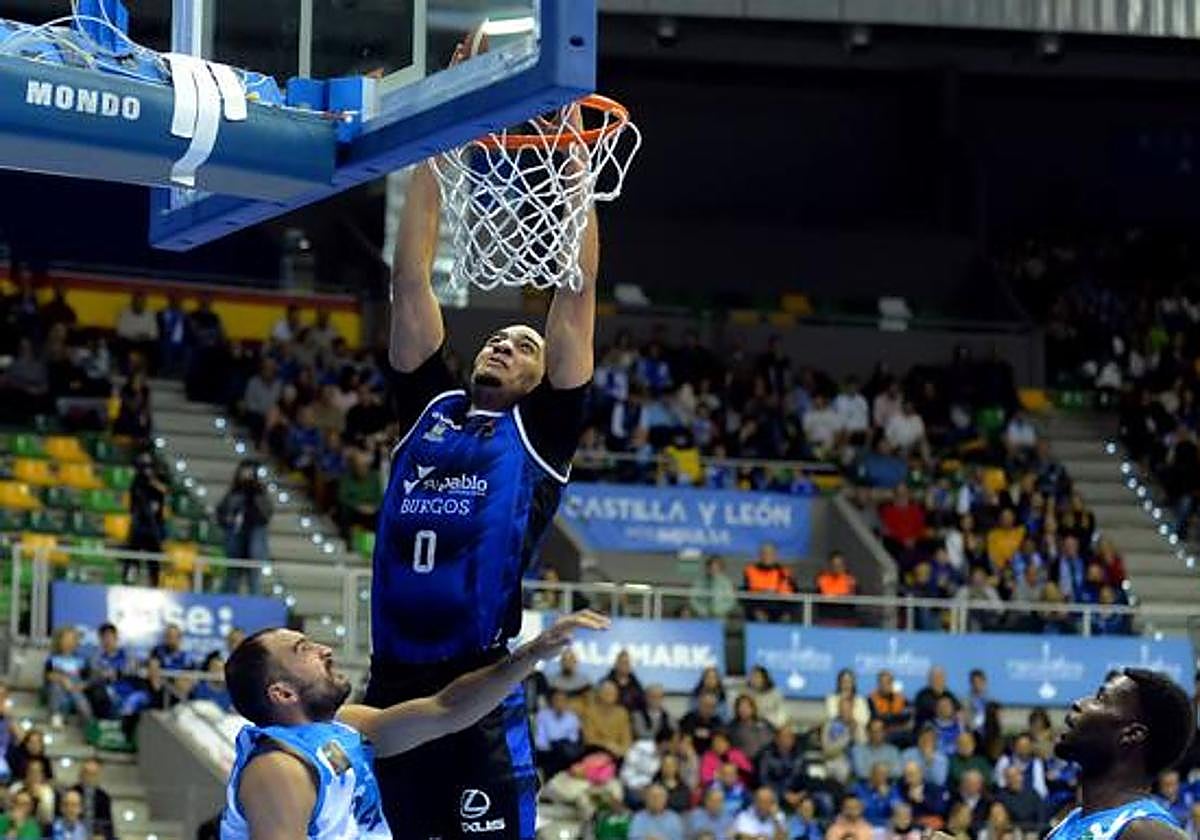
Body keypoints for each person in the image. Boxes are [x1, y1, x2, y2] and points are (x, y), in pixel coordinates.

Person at [366, 41, 599, 840]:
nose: (504, 343)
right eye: (498, 338)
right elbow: (410, 280)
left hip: (478, 685)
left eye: (524, 346)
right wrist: (440, 128)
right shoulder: (428, 406)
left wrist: (572, 153)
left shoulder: (541, 433)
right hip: (391, 683)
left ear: (543, 376)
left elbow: (576, 294)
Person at [222, 611, 607, 840]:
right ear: (283, 693)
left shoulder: (344, 726)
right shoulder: (279, 768)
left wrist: (531, 654)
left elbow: (446, 709)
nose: (323, 649)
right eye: (302, 650)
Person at [1046, 669, 1195, 840]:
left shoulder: (1147, 831)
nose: (1078, 703)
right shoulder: (1066, 825)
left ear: (1132, 734)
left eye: (1100, 699)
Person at [216, 460, 273, 595]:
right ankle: (228, 601)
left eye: (250, 472)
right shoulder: (233, 493)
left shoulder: (260, 493)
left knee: (254, 580)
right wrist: (228, 519)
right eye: (244, 471)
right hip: (235, 540)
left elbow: (266, 514)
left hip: (254, 540)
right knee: (232, 577)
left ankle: (255, 605)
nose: (247, 475)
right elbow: (221, 513)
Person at [125, 452, 168, 585]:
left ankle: (154, 582)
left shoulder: (159, 480)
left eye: (150, 467)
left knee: (154, 559)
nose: (147, 470)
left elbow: (165, 490)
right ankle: (129, 578)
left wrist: (153, 482)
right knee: (132, 555)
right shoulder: (137, 482)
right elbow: (133, 504)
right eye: (145, 466)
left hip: (154, 525)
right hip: (139, 524)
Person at [44, 626, 91, 727]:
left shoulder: (82, 660)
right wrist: (63, 679)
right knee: (56, 687)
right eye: (66, 638)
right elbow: (48, 675)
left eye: (72, 639)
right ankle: (56, 716)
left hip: (75, 688)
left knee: (81, 701)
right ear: (59, 641)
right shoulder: (53, 658)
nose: (69, 642)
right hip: (59, 688)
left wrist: (81, 685)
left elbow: (87, 678)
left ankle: (86, 721)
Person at [742, 543, 797, 622]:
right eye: (764, 553)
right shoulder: (750, 571)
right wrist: (755, 611)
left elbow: (795, 596)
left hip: (779, 611)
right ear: (759, 555)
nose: (767, 556)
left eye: (770, 553)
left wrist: (787, 613)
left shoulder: (785, 572)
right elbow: (745, 596)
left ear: (776, 555)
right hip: (757, 610)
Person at [582, 681, 634, 759]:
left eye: (613, 693)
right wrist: (607, 745)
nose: (611, 696)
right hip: (597, 751)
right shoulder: (590, 712)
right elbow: (589, 739)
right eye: (607, 693)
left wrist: (622, 750)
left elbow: (627, 738)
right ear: (599, 694)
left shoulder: (622, 713)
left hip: (618, 753)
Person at [70, 758, 113, 840]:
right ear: (80, 774)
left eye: (93, 774)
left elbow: (108, 825)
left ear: (98, 776)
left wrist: (102, 835)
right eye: (86, 773)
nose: (89, 778)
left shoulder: (104, 797)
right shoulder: (72, 793)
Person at [868, 671, 912, 745]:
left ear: (892, 684)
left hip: (900, 732)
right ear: (878, 684)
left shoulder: (900, 698)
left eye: (887, 682)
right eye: (881, 682)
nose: (884, 685)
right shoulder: (871, 699)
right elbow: (876, 719)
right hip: (882, 734)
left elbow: (910, 713)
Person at [729, 695, 774, 760]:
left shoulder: (764, 722)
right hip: (748, 761)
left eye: (746, 706)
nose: (743, 710)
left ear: (753, 708)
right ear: (736, 709)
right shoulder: (733, 727)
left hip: (770, 759)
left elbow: (774, 737)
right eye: (741, 707)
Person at [746, 667, 788, 731]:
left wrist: (769, 723)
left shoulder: (775, 693)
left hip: (772, 725)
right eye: (751, 677)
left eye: (757, 677)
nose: (753, 679)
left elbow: (782, 713)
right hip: (752, 726)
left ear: (764, 678)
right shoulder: (747, 693)